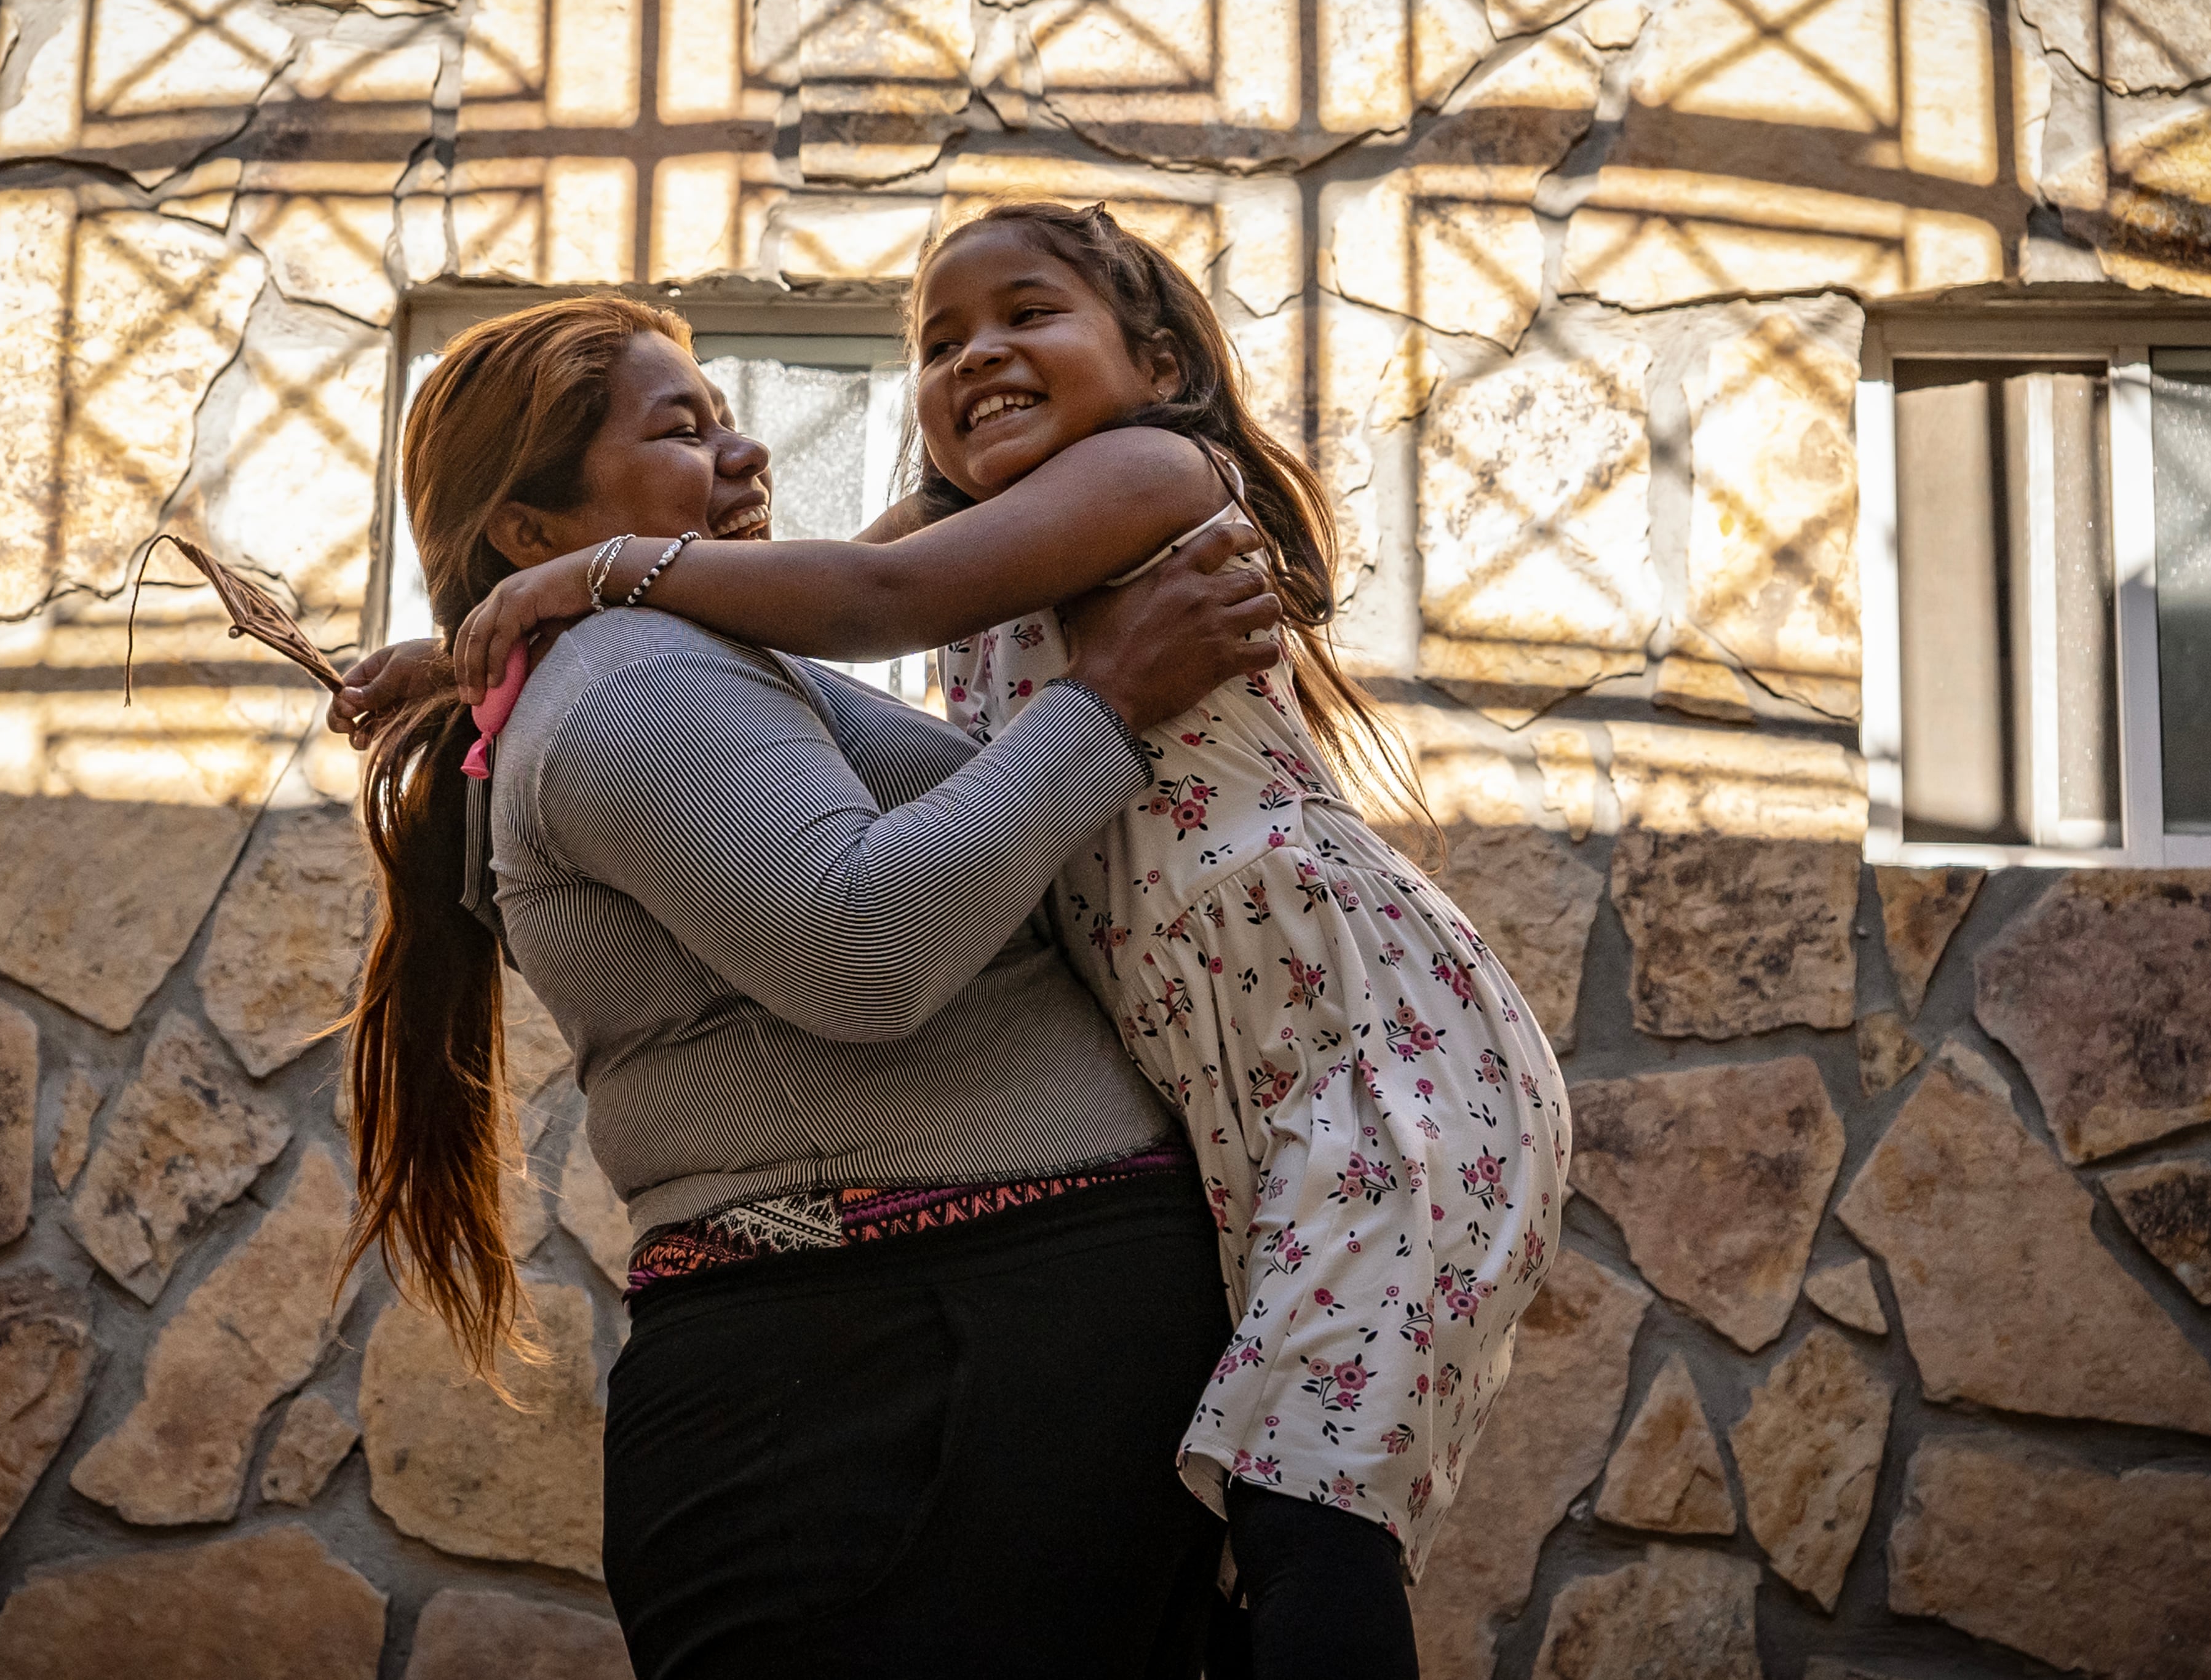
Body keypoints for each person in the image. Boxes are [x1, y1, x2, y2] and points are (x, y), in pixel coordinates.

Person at [449, 204, 1574, 1680]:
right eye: (937, 341)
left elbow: (866, 598)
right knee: (1256, 1508)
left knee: (1312, 1508)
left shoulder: (1145, 471)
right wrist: (493, 628)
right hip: (1229, 1064)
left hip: (1361, 1046)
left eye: (1026, 315)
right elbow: (817, 593)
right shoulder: (958, 535)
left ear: (1158, 357)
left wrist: (574, 581)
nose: (977, 355)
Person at [328, 292, 1287, 1679]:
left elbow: (872, 575)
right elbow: (865, 948)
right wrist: (1110, 698)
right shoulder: (627, 676)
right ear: (532, 535)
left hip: (937, 1369)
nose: (744, 450)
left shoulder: (658, 654)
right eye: (682, 426)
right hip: (905, 1380)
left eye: (726, 413)